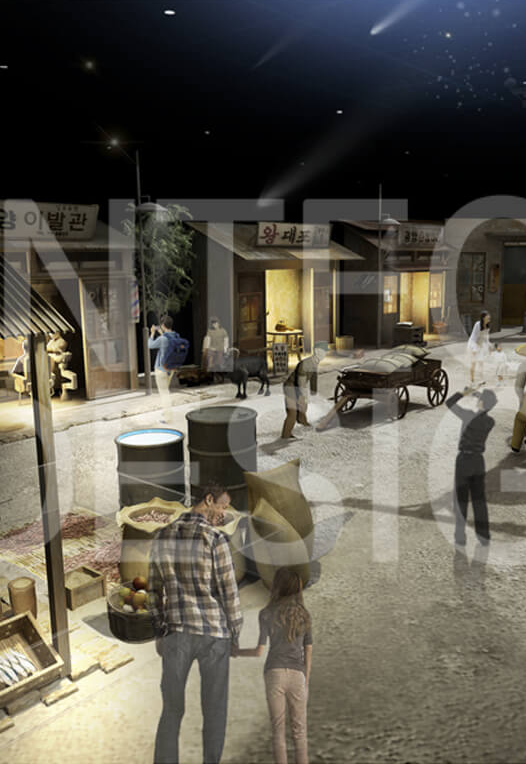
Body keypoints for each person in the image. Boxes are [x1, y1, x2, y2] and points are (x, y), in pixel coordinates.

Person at [149, 484, 243, 764]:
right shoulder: (215, 540)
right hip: (214, 635)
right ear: (209, 500)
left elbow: (153, 591)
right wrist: (235, 633)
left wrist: (159, 631)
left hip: (176, 632)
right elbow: (229, 593)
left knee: (171, 709)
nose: (223, 514)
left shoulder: (162, 536)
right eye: (223, 506)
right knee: (214, 710)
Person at [237, 567, 313, 764]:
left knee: (278, 731)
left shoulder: (266, 613)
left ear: (277, 586)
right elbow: (308, 650)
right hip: (298, 674)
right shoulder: (304, 615)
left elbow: (259, 651)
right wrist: (306, 679)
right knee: (299, 731)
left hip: (274, 673)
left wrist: (236, 652)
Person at [445, 386, 497, 545]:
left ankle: (460, 537)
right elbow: (485, 407)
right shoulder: (490, 422)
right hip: (478, 462)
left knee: (461, 500)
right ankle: (484, 536)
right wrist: (479, 396)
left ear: (480, 403)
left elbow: (449, 403)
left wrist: (464, 392)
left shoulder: (468, 416)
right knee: (479, 501)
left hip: (464, 460)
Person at [281, 342, 329, 440]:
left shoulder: (315, 362)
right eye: (323, 351)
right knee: (292, 412)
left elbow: (313, 376)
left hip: (298, 386)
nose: (324, 354)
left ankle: (302, 420)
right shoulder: (305, 364)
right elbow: (301, 382)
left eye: (325, 352)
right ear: (316, 351)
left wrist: (313, 391)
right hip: (290, 387)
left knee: (303, 405)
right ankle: (286, 434)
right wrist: (303, 397)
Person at [149, 315, 180, 424]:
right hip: (170, 369)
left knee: (164, 394)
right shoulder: (176, 336)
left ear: (162, 325)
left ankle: (168, 418)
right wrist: (161, 333)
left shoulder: (162, 339)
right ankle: (166, 411)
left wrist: (152, 333)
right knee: (166, 391)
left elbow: (150, 345)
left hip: (161, 369)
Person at [467, 311, 494, 385]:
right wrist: (474, 349)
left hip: (480, 346)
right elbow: (474, 337)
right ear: (483, 318)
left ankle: (481, 379)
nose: (489, 319)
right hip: (473, 345)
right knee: (473, 363)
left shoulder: (487, 327)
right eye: (487, 317)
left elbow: (486, 338)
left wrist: (490, 346)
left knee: (481, 363)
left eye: (489, 318)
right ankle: (472, 380)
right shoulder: (477, 324)